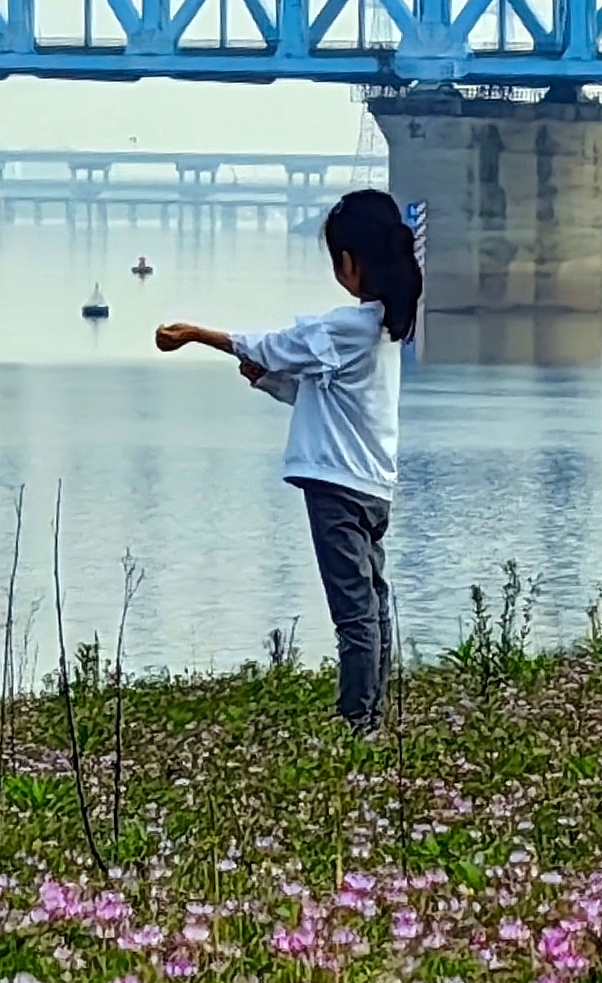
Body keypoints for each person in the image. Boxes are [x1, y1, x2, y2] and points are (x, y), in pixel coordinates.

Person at [153, 188, 419, 733]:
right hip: (372, 486)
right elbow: (317, 393)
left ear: (349, 263)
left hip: (338, 489)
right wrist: (267, 379)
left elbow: (277, 345)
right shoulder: (381, 329)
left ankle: (358, 724)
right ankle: (372, 713)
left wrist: (200, 335)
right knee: (372, 603)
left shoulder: (348, 327)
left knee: (354, 612)